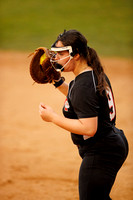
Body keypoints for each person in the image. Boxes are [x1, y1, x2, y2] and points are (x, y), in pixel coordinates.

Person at [39, 30, 129, 200]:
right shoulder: (89, 75)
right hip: (111, 142)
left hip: (102, 151)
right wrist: (56, 81)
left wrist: (52, 117)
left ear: (76, 55)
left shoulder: (84, 85)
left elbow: (88, 128)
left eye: (60, 54)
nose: (55, 58)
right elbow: (81, 100)